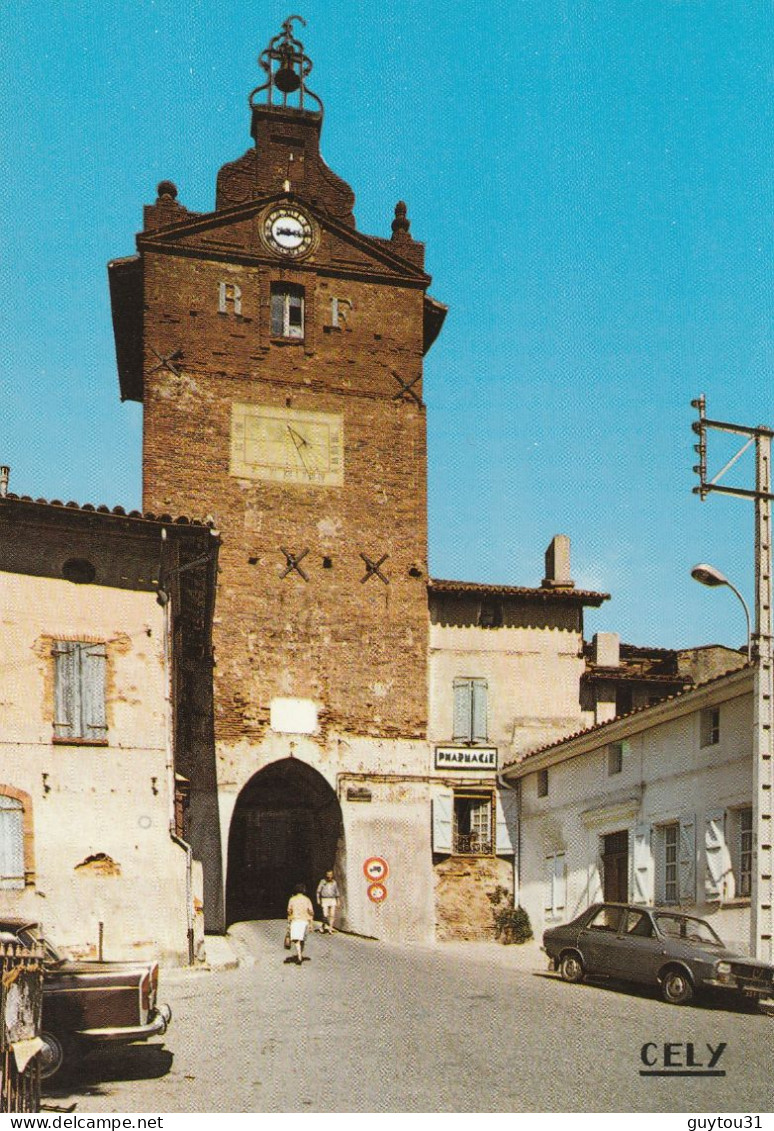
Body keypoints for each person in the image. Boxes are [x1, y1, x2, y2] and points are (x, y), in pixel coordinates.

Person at [286, 883, 314, 964]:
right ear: (304, 890)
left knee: (296, 940)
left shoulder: (292, 899)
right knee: (302, 940)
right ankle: (300, 955)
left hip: (295, 921)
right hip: (304, 921)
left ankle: (299, 955)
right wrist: (311, 923)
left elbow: (289, 911)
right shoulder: (307, 899)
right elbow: (311, 912)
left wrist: (288, 923)